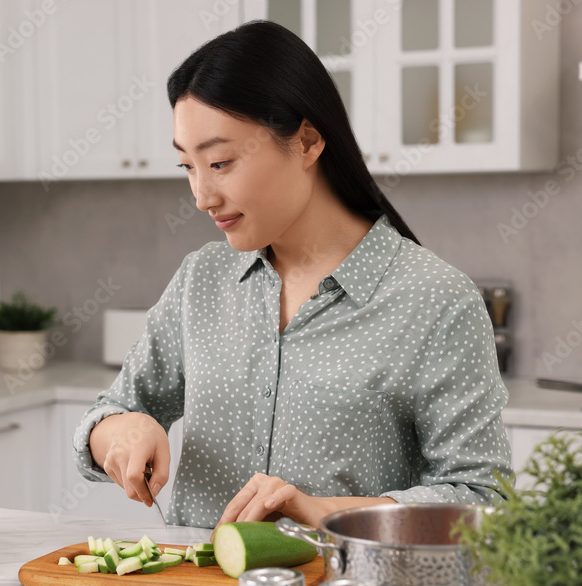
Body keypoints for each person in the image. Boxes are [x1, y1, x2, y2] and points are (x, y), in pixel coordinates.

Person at [72, 20, 512, 530]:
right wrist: (122, 432)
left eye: (220, 162)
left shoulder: (435, 298)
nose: (201, 197)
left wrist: (327, 512)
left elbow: (484, 498)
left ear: (305, 142)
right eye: (187, 167)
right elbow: (112, 411)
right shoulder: (202, 281)